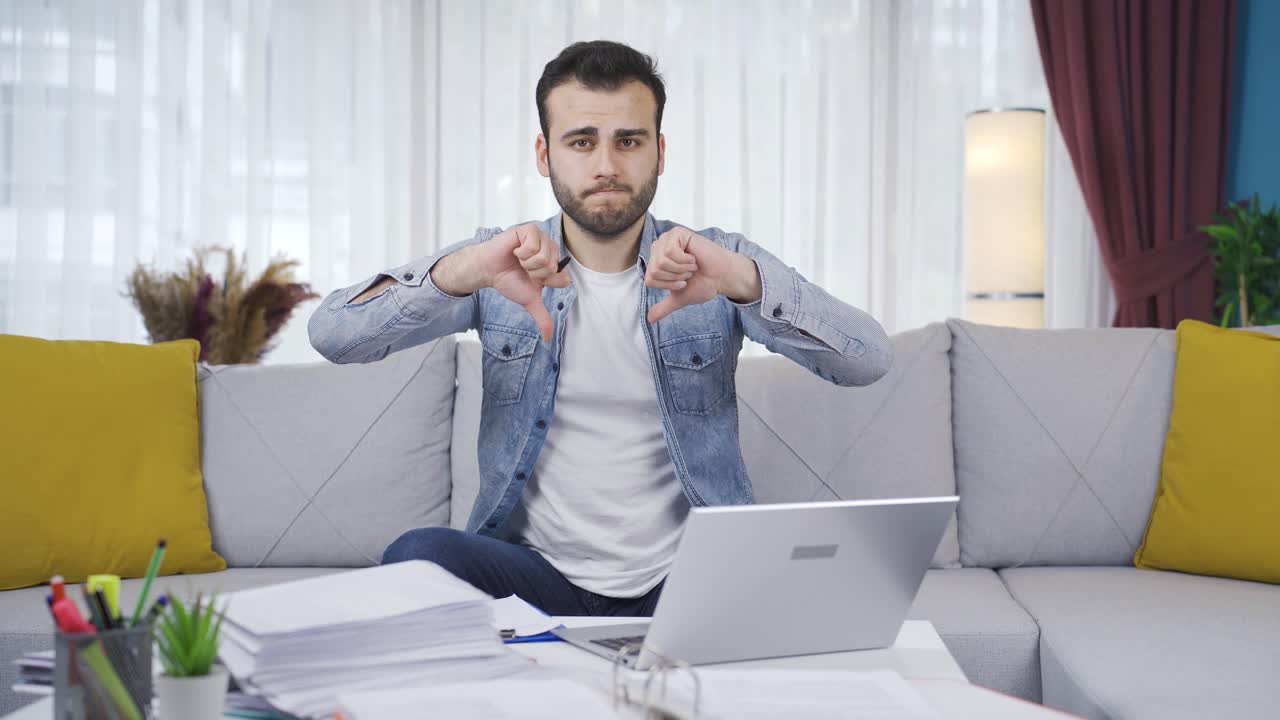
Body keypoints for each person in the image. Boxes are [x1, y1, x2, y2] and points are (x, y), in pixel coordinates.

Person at [308, 40, 892, 617]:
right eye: (581, 141)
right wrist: (460, 271)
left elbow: (867, 359)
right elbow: (333, 334)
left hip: (690, 580)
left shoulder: (716, 262)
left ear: (659, 152)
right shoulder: (499, 261)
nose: (607, 166)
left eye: (629, 141)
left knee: (810, 591)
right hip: (533, 578)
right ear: (545, 154)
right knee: (418, 555)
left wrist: (745, 279)